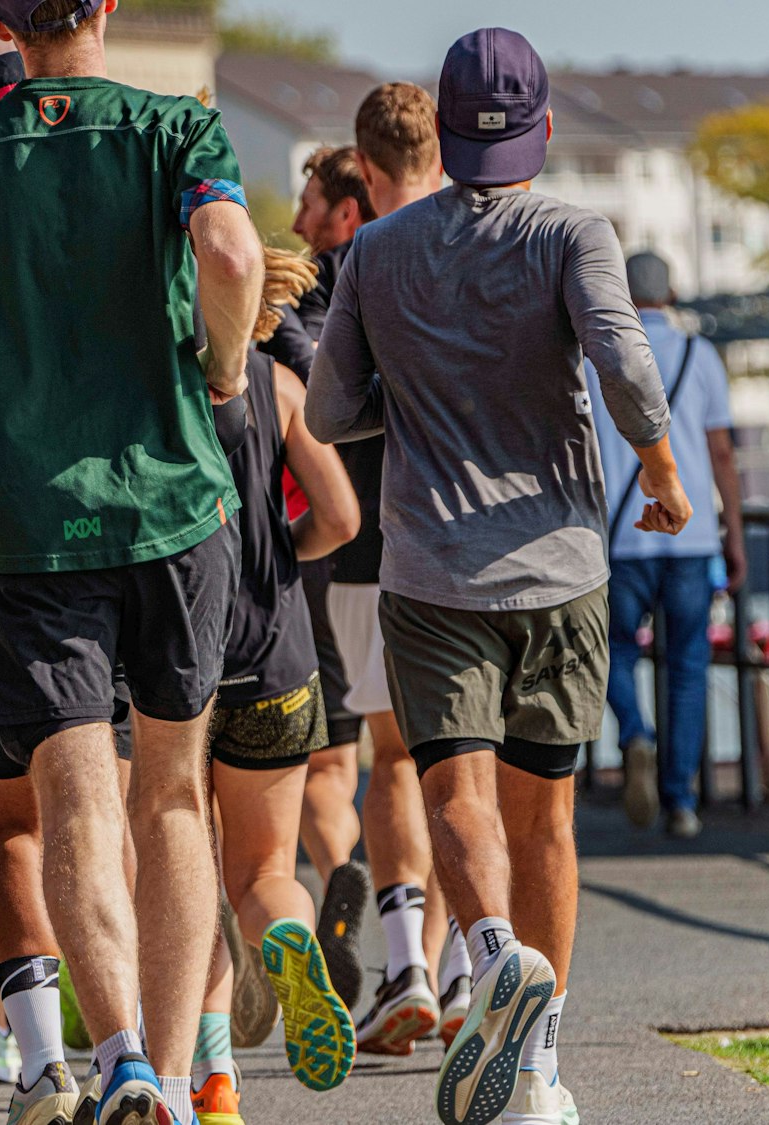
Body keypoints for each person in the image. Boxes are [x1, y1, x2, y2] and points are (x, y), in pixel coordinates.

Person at [0, 3, 266, 1125]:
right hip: (174, 508)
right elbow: (229, 250)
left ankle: (120, 1056)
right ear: (105, 8)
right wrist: (220, 357)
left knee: (72, 800)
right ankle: (176, 1085)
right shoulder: (176, 131)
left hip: (27, 524)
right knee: (173, 799)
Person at [308, 28, 689, 1125]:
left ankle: (485, 954)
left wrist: (413, 406)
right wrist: (662, 476)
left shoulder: (375, 252)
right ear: (543, 129)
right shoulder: (573, 232)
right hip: (558, 568)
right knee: (545, 823)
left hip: (429, 571)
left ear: (437, 118)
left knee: (450, 793)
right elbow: (621, 361)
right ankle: (538, 1077)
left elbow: (329, 411)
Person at [330, 82, 472, 1058]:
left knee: (391, 761)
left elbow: (328, 409)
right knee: (473, 763)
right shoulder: (496, 242)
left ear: (365, 168)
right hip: (482, 542)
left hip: (370, 541)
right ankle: (467, 959)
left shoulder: (360, 261)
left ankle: (404, 965)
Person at [192, 334, 362, 1125]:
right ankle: (291, 933)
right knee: (262, 871)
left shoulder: (136, 368)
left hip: (175, 655)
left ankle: (215, 1075)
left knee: (180, 872)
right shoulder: (278, 383)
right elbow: (341, 516)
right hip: (277, 651)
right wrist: (283, 556)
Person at [592, 251, 745, 841]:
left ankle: (633, 731)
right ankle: (680, 801)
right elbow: (722, 453)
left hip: (619, 537)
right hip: (689, 539)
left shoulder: (594, 357)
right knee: (686, 668)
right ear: (673, 294)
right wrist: (733, 532)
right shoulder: (700, 355)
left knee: (611, 653)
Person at [273, 144, 375, 1013]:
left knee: (272, 784)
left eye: (310, 202)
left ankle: (288, 918)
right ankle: (348, 874)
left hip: (270, 565)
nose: (299, 219)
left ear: (344, 210)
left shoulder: (292, 310)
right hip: (346, 552)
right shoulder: (404, 278)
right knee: (345, 761)